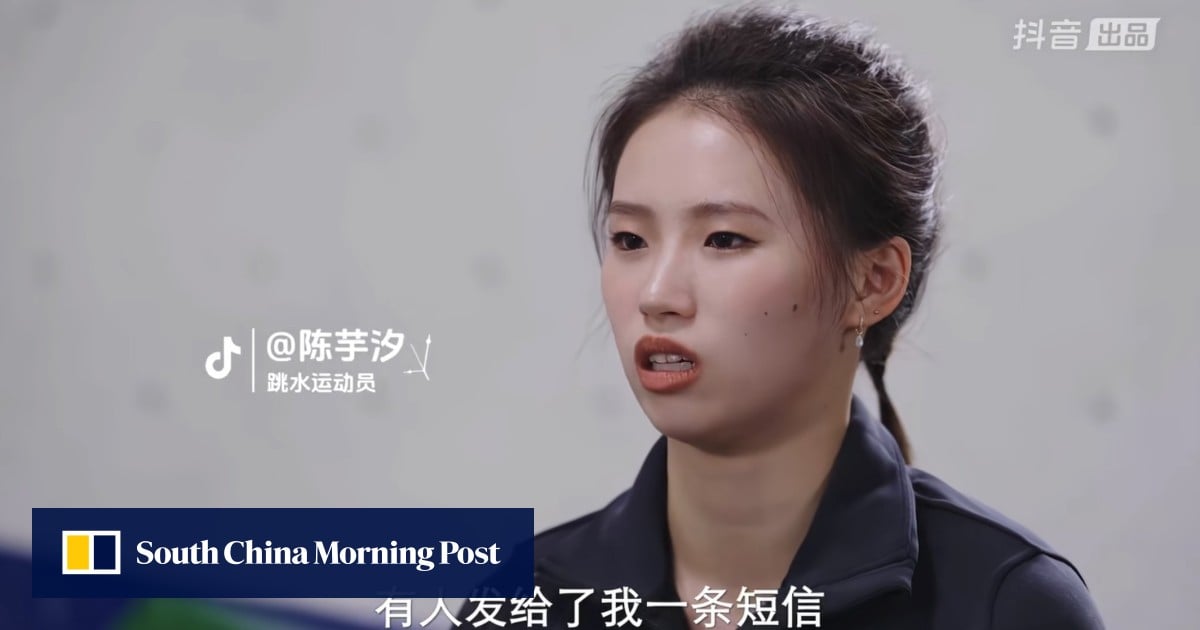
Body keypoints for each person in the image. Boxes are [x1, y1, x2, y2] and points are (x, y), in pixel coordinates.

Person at [460, 5, 1106, 629]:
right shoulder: (527, 601)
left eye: (724, 239)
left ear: (873, 282)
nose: (656, 294)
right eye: (630, 240)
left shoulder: (1004, 605)